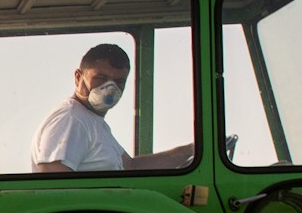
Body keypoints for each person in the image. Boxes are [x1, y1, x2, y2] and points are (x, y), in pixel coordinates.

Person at [32, 43, 192, 172]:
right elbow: (52, 175)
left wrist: (189, 151)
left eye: (119, 82)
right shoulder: (71, 119)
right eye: (100, 78)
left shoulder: (94, 123)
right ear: (78, 77)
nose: (110, 88)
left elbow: (131, 168)